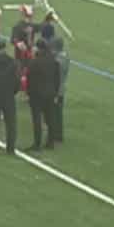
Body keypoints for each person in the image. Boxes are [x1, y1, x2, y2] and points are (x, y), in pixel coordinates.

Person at [26, 38, 61, 151]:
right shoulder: (54, 61)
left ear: (38, 48)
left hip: (37, 95)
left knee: (37, 120)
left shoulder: (34, 62)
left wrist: (29, 94)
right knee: (50, 119)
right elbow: (57, 79)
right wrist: (55, 93)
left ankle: (37, 144)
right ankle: (50, 142)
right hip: (50, 93)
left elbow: (30, 80)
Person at [40, 18, 69, 148]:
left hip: (55, 89)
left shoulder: (57, 60)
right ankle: (58, 135)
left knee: (53, 114)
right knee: (58, 114)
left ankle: (53, 137)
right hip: (61, 88)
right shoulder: (65, 56)